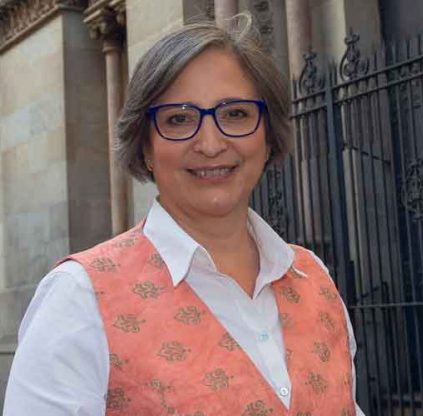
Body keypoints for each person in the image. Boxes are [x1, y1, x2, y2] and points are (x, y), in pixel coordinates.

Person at [3, 14, 365, 416]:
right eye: (179, 119)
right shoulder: (79, 298)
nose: (210, 144)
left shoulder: (314, 278)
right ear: (145, 147)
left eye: (235, 114)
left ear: (267, 136)